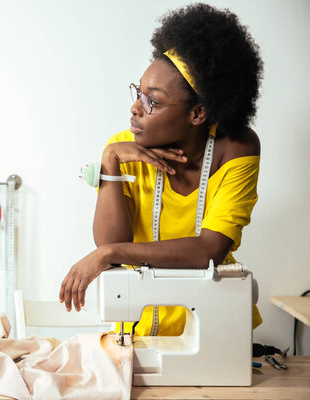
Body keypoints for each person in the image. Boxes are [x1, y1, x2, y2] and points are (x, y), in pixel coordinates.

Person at [59, 3, 264, 336]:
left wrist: (109, 253)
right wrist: (110, 159)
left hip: (216, 326)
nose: (135, 108)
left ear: (198, 113)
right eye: (138, 93)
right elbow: (111, 246)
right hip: (139, 326)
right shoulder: (122, 150)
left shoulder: (236, 150)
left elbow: (208, 250)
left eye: (152, 100)